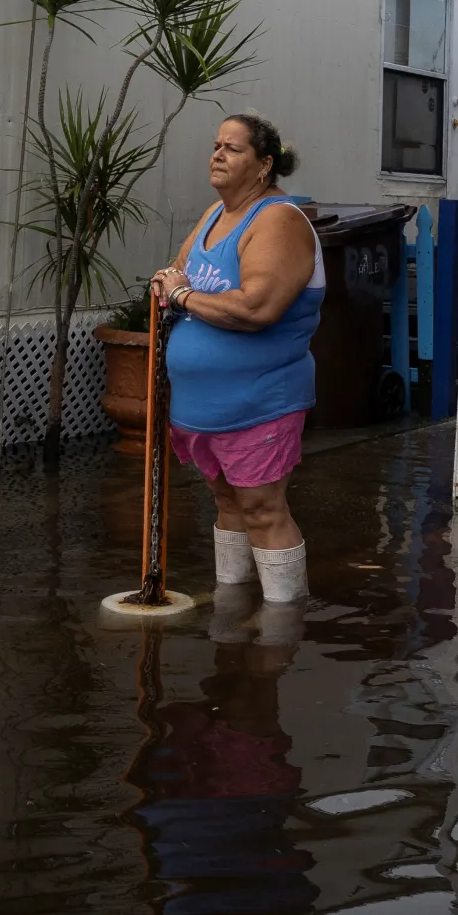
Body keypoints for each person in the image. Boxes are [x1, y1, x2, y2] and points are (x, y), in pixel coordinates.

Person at [150, 113, 322, 604]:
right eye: (216, 144)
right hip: (203, 406)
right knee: (227, 502)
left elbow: (257, 308)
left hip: (260, 399)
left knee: (263, 509)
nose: (218, 155)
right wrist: (167, 284)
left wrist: (181, 297)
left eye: (233, 148)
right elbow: (177, 271)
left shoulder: (279, 221)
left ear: (264, 165)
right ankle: (233, 606)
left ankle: (281, 622)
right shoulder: (214, 215)